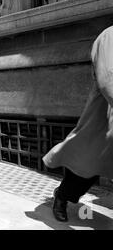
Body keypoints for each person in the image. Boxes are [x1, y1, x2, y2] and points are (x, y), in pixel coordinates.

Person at [43, 25, 113, 222]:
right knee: (87, 167)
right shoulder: (109, 36)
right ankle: (62, 196)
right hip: (104, 115)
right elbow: (107, 78)